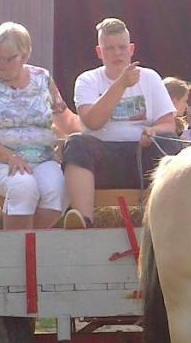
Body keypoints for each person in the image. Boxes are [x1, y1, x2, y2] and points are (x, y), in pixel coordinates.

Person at [62, 18, 178, 228]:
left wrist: (153, 131)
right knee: (76, 143)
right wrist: (121, 84)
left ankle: (160, 221)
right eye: (110, 48)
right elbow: (92, 122)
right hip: (101, 160)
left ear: (131, 49)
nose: (117, 53)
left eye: (122, 47)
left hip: (142, 157)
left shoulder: (150, 78)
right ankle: (83, 220)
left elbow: (169, 125)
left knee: (169, 141)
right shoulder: (87, 80)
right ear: (99, 52)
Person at [0, 22, 79, 230]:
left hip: (42, 158)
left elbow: (65, 119)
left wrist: (96, 129)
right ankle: (18, 253)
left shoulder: (42, 78)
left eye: (7, 59)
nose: (0, 64)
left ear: (25, 55)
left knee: (60, 189)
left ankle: (21, 244)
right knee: (23, 186)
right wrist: (10, 157)